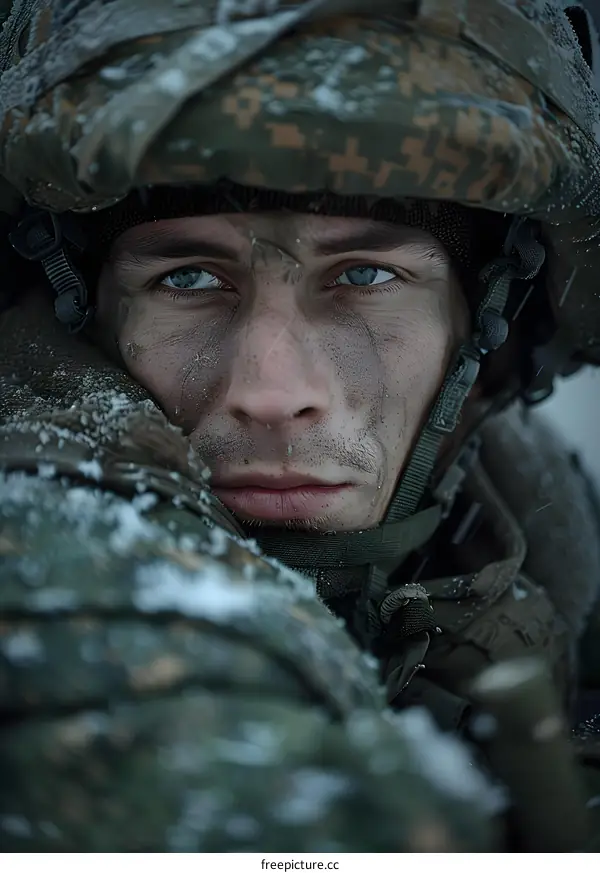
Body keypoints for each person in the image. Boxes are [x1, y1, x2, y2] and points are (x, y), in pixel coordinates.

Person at [0, 0, 599, 851]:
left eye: (365, 273)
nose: (272, 392)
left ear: (485, 328)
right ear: (80, 310)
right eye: (187, 280)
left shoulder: (538, 532)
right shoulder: (45, 545)